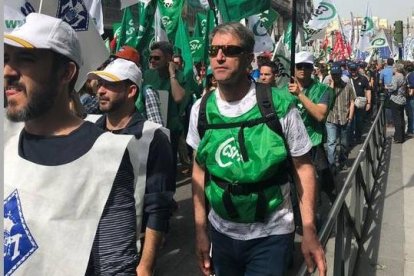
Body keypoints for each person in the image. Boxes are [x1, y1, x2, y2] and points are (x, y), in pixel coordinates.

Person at [4, 13, 143, 275]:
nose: (8, 71)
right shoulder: (5, 139)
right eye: (6, 59)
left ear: (66, 73)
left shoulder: (106, 158)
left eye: (26, 60)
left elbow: (115, 268)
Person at [186, 22, 326, 276]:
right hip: (222, 235)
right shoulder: (200, 109)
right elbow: (198, 172)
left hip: (271, 235)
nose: (219, 57)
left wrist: (309, 230)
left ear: (249, 58)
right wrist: (200, 232)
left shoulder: (279, 105)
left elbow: (304, 168)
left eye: (230, 50)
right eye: (214, 50)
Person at [87, 58, 175, 275]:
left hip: (127, 255)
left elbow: (158, 208)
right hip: (86, 250)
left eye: (110, 85)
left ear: (131, 91)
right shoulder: (88, 132)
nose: (101, 90)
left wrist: (145, 265)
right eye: (100, 84)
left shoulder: (153, 137)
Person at [288, 51, 337, 204]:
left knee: (320, 186)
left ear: (312, 69)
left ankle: (332, 215)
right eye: (299, 66)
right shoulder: (284, 90)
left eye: (307, 66)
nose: (303, 69)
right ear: (294, 68)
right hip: (291, 146)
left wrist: (299, 95)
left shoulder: (323, 90)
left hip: (313, 145)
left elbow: (320, 115)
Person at [136, 41, 187, 179]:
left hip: (171, 129)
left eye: (157, 58)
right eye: (151, 57)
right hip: (150, 128)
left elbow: (178, 98)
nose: (152, 60)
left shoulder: (180, 75)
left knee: (168, 168)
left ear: (169, 59)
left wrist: (172, 75)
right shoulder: (147, 74)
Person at [325, 63, 355, 173]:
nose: (335, 77)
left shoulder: (348, 86)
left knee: (344, 143)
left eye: (337, 75)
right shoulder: (327, 87)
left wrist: (350, 117)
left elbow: (352, 102)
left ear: (341, 74)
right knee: (331, 143)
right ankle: (331, 165)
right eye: (333, 75)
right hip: (331, 119)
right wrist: (331, 88)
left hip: (344, 118)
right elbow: (326, 102)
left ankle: (342, 161)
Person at [349, 62, 372, 144]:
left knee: (359, 121)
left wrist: (369, 103)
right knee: (350, 121)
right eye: (351, 70)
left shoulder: (363, 78)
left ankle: (358, 137)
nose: (353, 71)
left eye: (354, 69)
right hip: (349, 103)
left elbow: (368, 90)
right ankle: (350, 138)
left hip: (360, 103)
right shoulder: (347, 79)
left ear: (357, 69)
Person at [386, 63, 407, 143]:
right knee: (401, 118)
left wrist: (387, 87)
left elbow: (393, 87)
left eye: (393, 68)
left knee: (397, 119)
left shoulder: (395, 77)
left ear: (396, 69)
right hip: (402, 99)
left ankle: (398, 137)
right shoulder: (403, 76)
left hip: (395, 99)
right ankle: (402, 136)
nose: (392, 69)